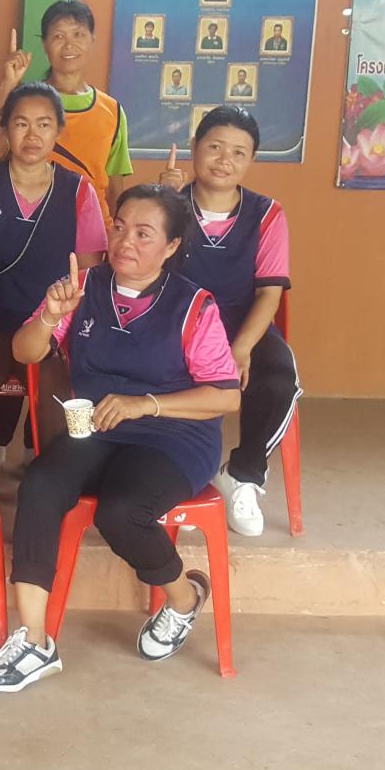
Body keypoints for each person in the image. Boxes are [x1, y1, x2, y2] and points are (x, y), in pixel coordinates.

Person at [0, 185, 241, 692]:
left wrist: (147, 404)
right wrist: (51, 315)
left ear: (170, 246)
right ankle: (34, 640)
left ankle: (184, 597)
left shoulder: (194, 306)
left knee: (122, 511)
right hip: (97, 428)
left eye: (143, 234)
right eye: (119, 227)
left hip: (175, 436)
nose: (125, 242)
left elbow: (226, 397)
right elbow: (25, 352)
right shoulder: (83, 286)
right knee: (40, 486)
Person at [0, 83, 106, 469]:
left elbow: (90, 272)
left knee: (58, 393)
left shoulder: (79, 191)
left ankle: (50, 468)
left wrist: (61, 323)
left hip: (49, 326)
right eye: (21, 123)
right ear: (6, 129)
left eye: (43, 124)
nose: (32, 135)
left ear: (58, 130)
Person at [157, 107, 296, 537]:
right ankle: (178, 475)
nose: (224, 160)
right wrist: (161, 205)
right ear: (194, 147)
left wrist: (240, 349)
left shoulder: (267, 214)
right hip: (178, 324)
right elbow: (141, 272)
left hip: (242, 325)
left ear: (251, 160)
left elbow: (269, 293)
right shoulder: (169, 205)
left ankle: (242, 475)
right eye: (215, 147)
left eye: (239, 152)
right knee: (159, 375)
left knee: (278, 378)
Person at [0, 3, 134, 223]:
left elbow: (115, 190)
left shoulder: (112, 110)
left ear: (93, 39)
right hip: (32, 226)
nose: (69, 45)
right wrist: (8, 84)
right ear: (44, 44)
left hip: (92, 230)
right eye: (58, 36)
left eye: (78, 34)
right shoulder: (26, 101)